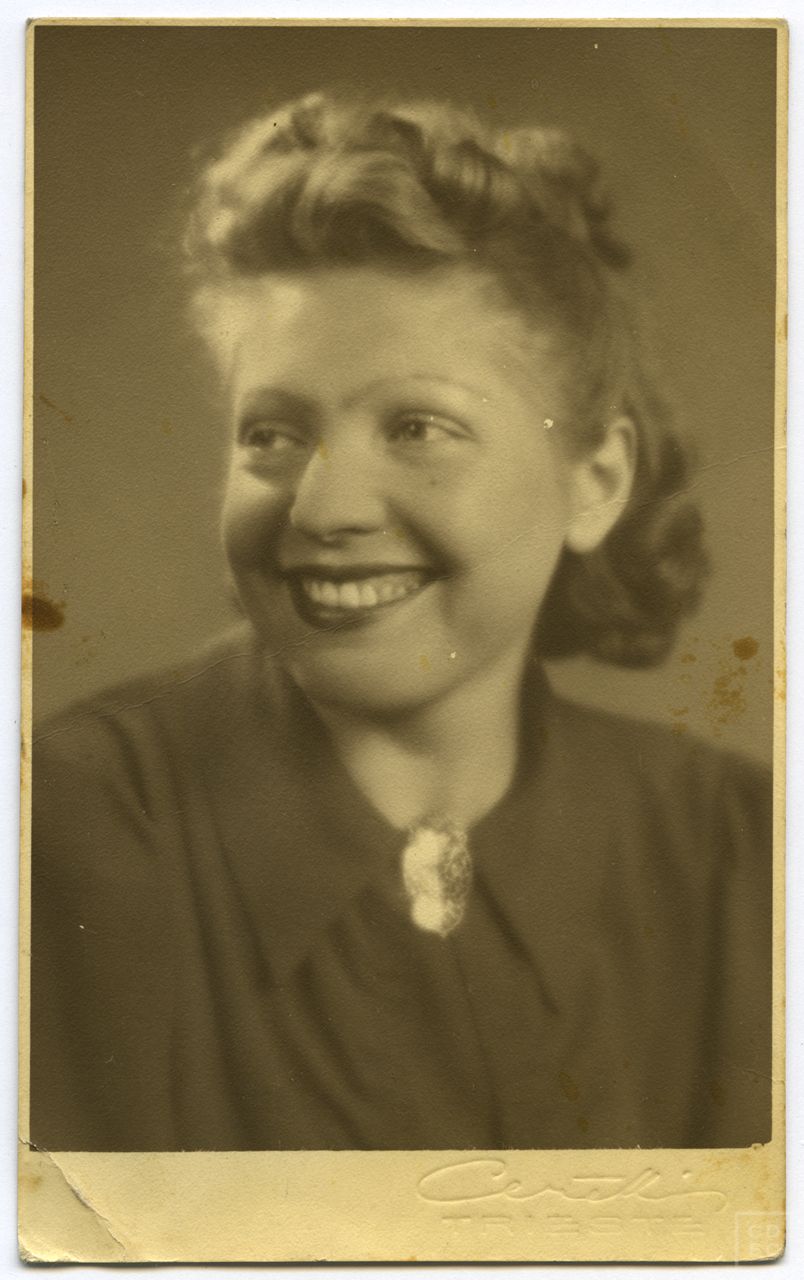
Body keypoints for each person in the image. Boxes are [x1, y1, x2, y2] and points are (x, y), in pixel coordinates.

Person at [30, 94, 772, 1152]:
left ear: (596, 482)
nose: (322, 509)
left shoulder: (738, 851)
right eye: (272, 433)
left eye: (418, 427)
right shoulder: (72, 830)